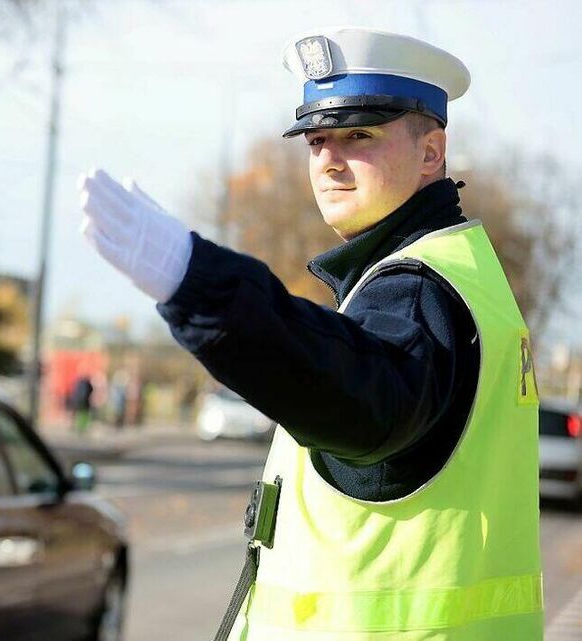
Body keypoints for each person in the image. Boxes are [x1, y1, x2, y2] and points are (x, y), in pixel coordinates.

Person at [78, 27, 542, 641]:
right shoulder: (462, 271)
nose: (328, 158)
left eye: (359, 136)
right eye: (316, 139)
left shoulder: (417, 287)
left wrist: (199, 283)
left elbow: (361, 394)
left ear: (432, 153)